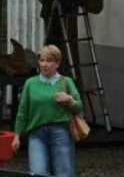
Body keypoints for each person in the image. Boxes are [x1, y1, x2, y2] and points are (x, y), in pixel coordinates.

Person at [11, 44, 83, 177]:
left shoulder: (66, 82)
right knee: (38, 172)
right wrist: (17, 136)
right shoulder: (30, 83)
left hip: (61, 133)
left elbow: (79, 107)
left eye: (49, 61)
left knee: (64, 173)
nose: (44, 64)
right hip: (37, 134)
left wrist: (69, 100)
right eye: (42, 60)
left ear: (57, 63)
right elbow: (22, 111)